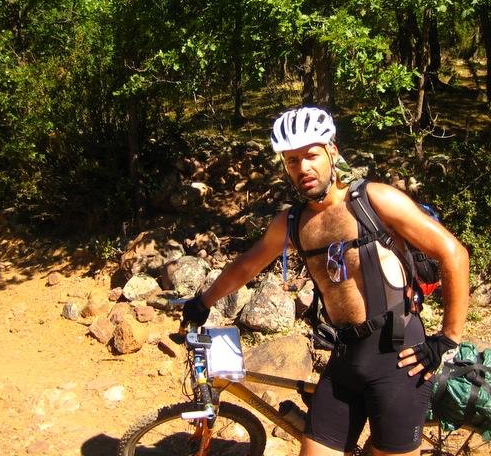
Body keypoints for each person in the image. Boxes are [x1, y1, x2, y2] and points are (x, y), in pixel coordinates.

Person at [182, 107, 470, 456]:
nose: (302, 167)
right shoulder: (292, 222)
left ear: (332, 152)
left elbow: (453, 253)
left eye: (311, 155)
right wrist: (203, 302)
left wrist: (447, 338)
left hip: (399, 358)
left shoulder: (374, 200)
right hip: (345, 357)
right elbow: (246, 266)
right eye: (292, 160)